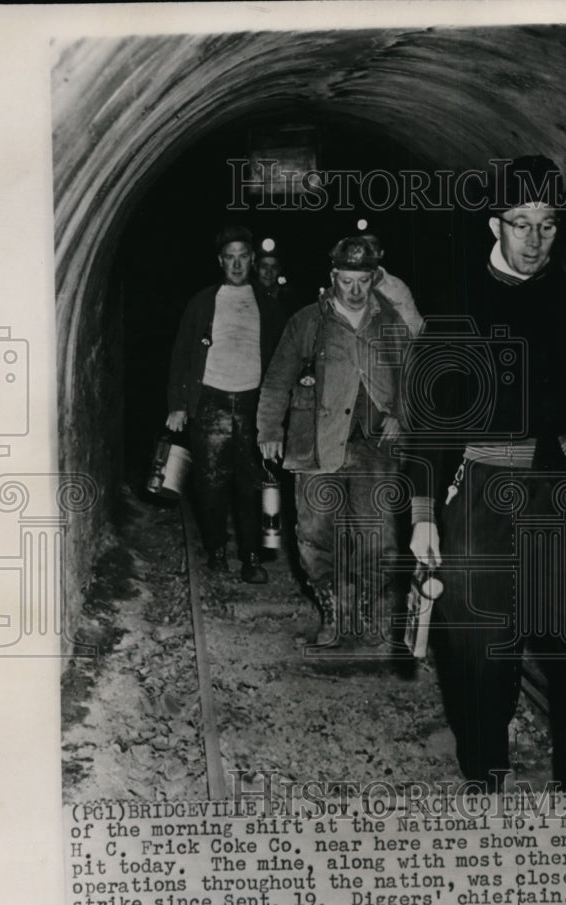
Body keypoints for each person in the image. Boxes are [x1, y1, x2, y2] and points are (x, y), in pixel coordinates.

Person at [407, 155, 566, 790]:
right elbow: (427, 421)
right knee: (476, 640)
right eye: (522, 223)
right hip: (480, 487)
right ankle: (486, 771)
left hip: (564, 487)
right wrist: (423, 515)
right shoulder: (457, 307)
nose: (536, 241)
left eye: (549, 225)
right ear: (493, 224)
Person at [256, 235, 418, 650]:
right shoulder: (308, 321)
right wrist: (270, 431)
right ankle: (332, 608)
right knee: (314, 536)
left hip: (375, 447)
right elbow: (277, 378)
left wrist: (402, 416)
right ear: (333, 277)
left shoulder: (392, 323)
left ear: (374, 278)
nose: (355, 290)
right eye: (347, 280)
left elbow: (414, 379)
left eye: (363, 280)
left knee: (380, 536)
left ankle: (362, 609)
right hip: (317, 442)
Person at [166, 225, 285, 583]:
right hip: (212, 400)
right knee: (210, 481)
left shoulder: (269, 305)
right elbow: (182, 354)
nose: (236, 264)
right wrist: (178, 403)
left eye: (242, 257)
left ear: (252, 260)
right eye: (229, 258)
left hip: (253, 401)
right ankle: (217, 549)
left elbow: (283, 359)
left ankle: (251, 557)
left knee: (250, 483)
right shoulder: (202, 302)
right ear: (221, 261)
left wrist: (277, 413)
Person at [254, 248, 300, 320]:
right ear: (256, 268)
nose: (269, 272)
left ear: (279, 270)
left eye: (274, 267)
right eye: (264, 267)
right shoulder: (247, 296)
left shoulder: (288, 299)